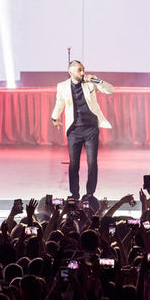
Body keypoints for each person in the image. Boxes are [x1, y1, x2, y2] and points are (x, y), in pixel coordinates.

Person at [51, 60, 114, 199]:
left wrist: (96, 80)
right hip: (74, 131)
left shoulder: (90, 83)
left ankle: (90, 194)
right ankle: (74, 194)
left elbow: (110, 90)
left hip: (91, 129)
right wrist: (54, 118)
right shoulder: (62, 86)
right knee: (74, 164)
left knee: (92, 163)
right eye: (79, 70)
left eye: (83, 69)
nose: (82, 72)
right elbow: (59, 103)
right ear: (70, 72)